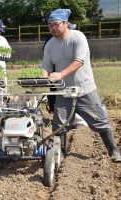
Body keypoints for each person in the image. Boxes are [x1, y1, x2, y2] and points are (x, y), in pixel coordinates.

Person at [42, 8, 121, 163]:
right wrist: (43, 77)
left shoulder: (78, 37)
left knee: (100, 121)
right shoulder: (50, 44)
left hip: (85, 89)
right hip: (63, 92)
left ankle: (113, 151)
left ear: (65, 23)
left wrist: (60, 74)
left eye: (56, 24)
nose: (53, 28)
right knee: (59, 126)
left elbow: (79, 61)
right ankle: (60, 155)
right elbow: (46, 66)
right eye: (50, 25)